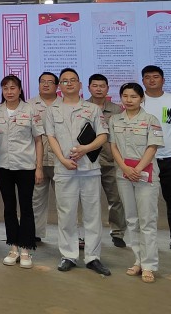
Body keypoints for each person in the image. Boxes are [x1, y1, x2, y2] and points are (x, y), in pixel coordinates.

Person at [45, 68, 111, 276]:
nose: (69, 83)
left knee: (93, 215)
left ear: (80, 85)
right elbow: (51, 137)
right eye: (64, 81)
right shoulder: (52, 110)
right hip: (64, 169)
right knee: (66, 214)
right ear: (59, 86)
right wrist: (63, 160)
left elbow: (103, 135)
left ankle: (93, 257)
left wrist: (85, 149)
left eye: (73, 80)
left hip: (89, 168)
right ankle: (68, 255)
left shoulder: (92, 109)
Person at [110, 82, 165, 283]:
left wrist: (138, 169)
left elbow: (152, 147)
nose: (129, 100)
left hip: (145, 175)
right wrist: (125, 169)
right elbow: (113, 146)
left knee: (147, 220)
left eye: (133, 96)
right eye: (125, 96)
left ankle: (149, 265)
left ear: (142, 98)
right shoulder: (115, 120)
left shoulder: (151, 120)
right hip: (124, 174)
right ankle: (138, 261)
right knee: (132, 219)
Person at [0, 75, 44, 268]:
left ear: (20, 90)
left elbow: (38, 140)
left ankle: (25, 249)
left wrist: (39, 167)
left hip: (26, 166)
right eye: (5, 88)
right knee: (9, 207)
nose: (9, 91)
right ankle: (13, 247)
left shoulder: (30, 110)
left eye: (13, 88)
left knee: (26, 207)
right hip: (3, 166)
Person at [141, 65, 171, 256]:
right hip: (145, 160)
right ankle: (146, 241)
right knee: (146, 203)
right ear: (143, 81)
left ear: (163, 80)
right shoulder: (139, 100)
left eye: (155, 77)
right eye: (147, 77)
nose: (151, 80)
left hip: (170, 158)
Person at [87, 73, 128, 248]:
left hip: (111, 162)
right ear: (89, 88)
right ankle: (89, 234)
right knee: (89, 201)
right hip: (89, 162)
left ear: (107, 88)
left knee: (116, 199)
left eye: (102, 86)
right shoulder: (82, 107)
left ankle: (117, 232)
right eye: (95, 85)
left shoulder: (117, 110)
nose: (98, 89)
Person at [31, 72, 60, 243]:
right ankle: (35, 233)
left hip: (60, 161)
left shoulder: (64, 104)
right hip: (37, 162)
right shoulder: (29, 105)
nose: (46, 84)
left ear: (57, 86)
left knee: (65, 201)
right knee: (36, 199)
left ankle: (71, 235)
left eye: (50, 82)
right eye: (42, 81)